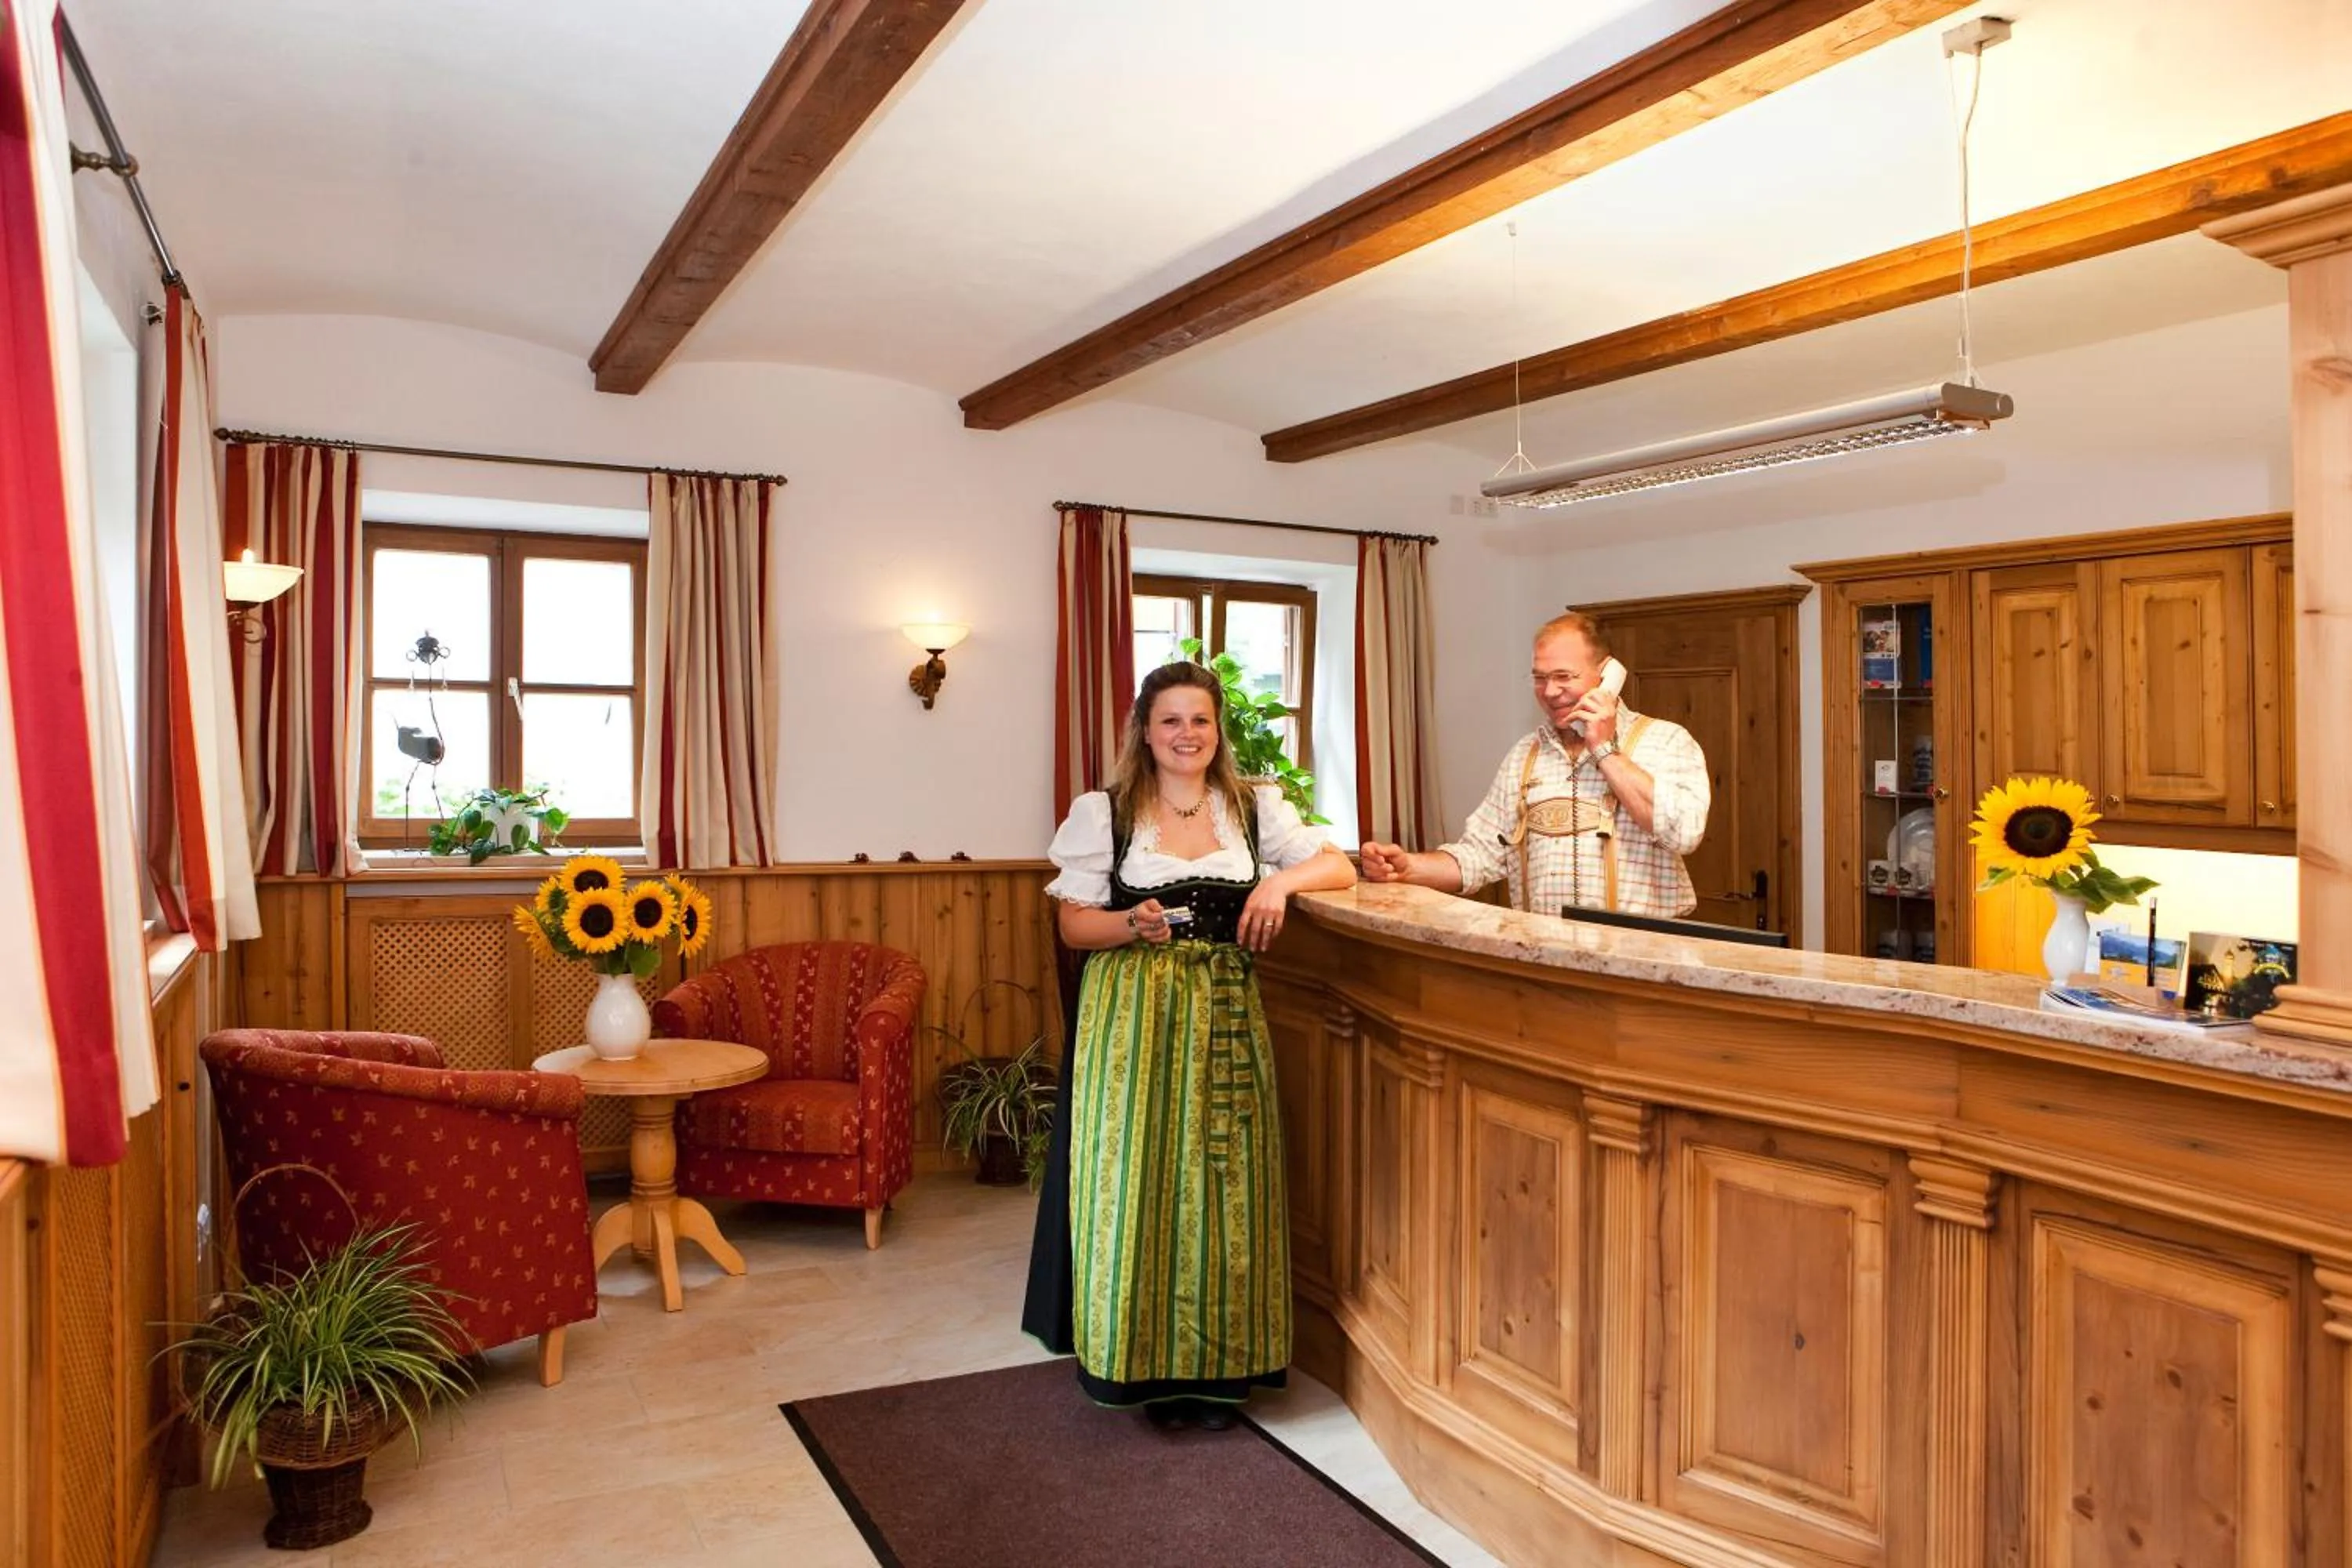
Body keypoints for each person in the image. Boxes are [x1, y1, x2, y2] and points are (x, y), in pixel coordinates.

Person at [1022, 660, 1356, 1431]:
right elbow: (1075, 925)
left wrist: (1280, 885)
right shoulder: (1104, 811)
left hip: (1227, 1013)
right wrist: (1129, 924)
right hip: (1133, 1016)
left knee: (1223, 1185)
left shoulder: (1248, 806)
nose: (1186, 734)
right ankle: (1137, 1365)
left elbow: (1334, 861)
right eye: (1170, 719)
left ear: (1217, 730)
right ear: (1145, 728)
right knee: (1138, 1183)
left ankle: (1219, 1370)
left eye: (1200, 720)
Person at [1361, 610, 1710, 917]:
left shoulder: (1666, 741)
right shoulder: (1524, 756)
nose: (1549, 691)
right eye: (1540, 678)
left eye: (1564, 676)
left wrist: (1604, 749)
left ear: (1605, 676)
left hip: (1639, 965)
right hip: (1542, 961)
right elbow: (1479, 854)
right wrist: (1406, 868)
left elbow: (1683, 833)